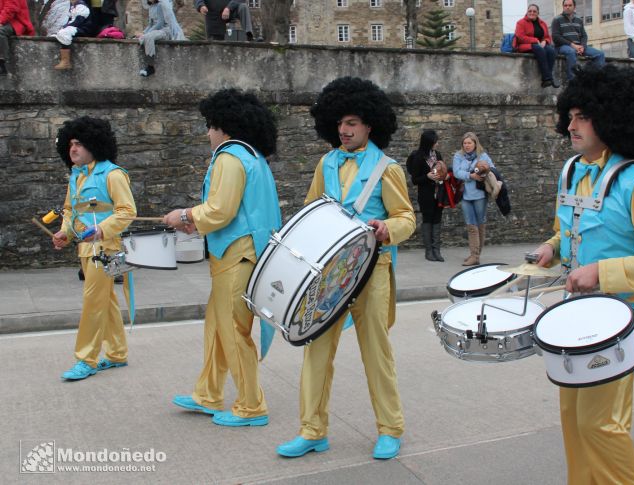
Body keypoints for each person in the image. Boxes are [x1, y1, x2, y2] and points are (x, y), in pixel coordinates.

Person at [530, 64, 634, 484]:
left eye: (582, 116)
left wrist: (601, 273)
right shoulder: (572, 171)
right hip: (578, 315)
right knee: (572, 416)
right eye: (570, 115)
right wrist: (553, 246)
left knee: (600, 424)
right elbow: (569, 230)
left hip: (626, 319)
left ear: (613, 117)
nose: (570, 125)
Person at [276, 77, 415, 460]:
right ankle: (312, 430)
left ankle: (390, 428)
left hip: (373, 271)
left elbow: (406, 217)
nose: (344, 129)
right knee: (316, 349)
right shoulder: (326, 163)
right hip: (327, 275)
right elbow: (310, 210)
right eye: (340, 123)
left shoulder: (387, 169)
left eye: (352, 122)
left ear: (370, 125)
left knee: (376, 352)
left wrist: (388, 228)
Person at [164, 89, 281, 427]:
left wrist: (184, 215)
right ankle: (208, 394)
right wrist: (193, 222)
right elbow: (235, 211)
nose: (208, 133)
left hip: (236, 255)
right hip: (244, 253)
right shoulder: (253, 156)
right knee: (218, 328)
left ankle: (251, 405)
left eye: (210, 126)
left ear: (223, 126)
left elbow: (219, 211)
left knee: (232, 331)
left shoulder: (229, 156)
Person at [53, 116, 137, 380]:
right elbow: (70, 210)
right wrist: (65, 232)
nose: (73, 149)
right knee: (105, 301)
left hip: (107, 249)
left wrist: (102, 229)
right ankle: (116, 353)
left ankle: (86, 359)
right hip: (86, 250)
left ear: (94, 145)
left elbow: (127, 211)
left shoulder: (113, 174)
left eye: (79, 143)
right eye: (70, 144)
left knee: (92, 303)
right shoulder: (76, 176)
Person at [452, 132, 497, 266]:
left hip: (480, 195)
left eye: (469, 143)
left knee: (480, 223)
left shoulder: (482, 156)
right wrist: (471, 176)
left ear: (475, 143)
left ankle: (477, 254)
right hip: (465, 195)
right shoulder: (458, 156)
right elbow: (456, 172)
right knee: (471, 225)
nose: (467, 145)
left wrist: (484, 173)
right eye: (465, 143)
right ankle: (474, 255)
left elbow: (493, 169)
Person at [406, 129, 447, 262]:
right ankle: (429, 251)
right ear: (428, 143)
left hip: (439, 193)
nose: (437, 144)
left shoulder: (438, 155)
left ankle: (437, 250)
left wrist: (443, 175)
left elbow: (443, 171)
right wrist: (428, 176)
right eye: (435, 142)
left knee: (437, 220)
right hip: (426, 195)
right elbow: (415, 180)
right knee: (428, 220)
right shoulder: (418, 157)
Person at [551, 0, 606, 81]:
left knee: (600, 54)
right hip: (563, 46)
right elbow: (556, 37)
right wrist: (573, 45)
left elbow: (584, 35)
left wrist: (582, 47)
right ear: (563, 7)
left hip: (579, 46)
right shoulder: (557, 19)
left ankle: (596, 79)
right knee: (571, 52)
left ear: (574, 7)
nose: (567, 7)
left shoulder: (578, 19)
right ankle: (572, 80)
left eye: (570, 5)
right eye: (565, 5)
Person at [514, 4, 560, 88]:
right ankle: (547, 78)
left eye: (534, 11)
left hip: (539, 45)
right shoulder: (520, 23)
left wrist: (545, 41)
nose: (532, 13)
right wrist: (535, 41)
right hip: (524, 45)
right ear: (527, 12)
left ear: (538, 13)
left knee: (551, 51)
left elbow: (547, 37)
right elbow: (520, 37)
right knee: (540, 49)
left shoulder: (543, 24)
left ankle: (547, 79)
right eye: (530, 11)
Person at [137, 0, 186, 77]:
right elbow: (150, 24)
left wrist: (146, 34)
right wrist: (143, 33)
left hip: (165, 30)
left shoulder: (160, 5)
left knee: (149, 37)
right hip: (156, 30)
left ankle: (150, 67)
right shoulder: (151, 7)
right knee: (144, 37)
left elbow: (160, 23)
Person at [52, 0, 103, 70]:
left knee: (64, 33)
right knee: (58, 34)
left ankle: (66, 61)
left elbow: (77, 22)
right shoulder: (74, 7)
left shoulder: (81, 6)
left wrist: (65, 27)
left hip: (84, 29)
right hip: (77, 27)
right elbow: (71, 21)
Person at [0, 0, 35, 76]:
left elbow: (11, 9)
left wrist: (0, 21)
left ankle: (2, 63)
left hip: (16, 22)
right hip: (6, 21)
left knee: (0, 32)